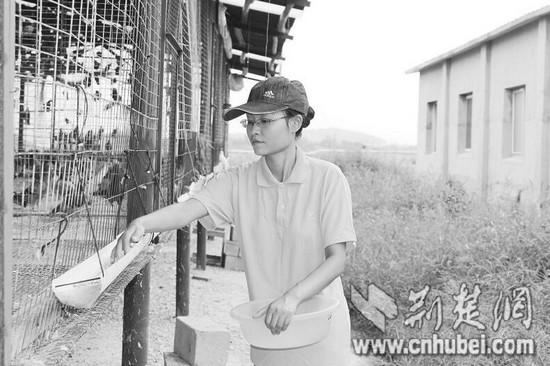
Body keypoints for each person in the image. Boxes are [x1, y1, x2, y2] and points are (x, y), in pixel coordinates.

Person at [111, 76, 357, 366]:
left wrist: (292, 298)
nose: (254, 130)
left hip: (322, 334)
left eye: (264, 121)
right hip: (271, 336)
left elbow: (337, 259)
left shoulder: (328, 178)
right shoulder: (239, 182)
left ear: (295, 123)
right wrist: (143, 223)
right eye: (249, 122)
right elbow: (189, 209)